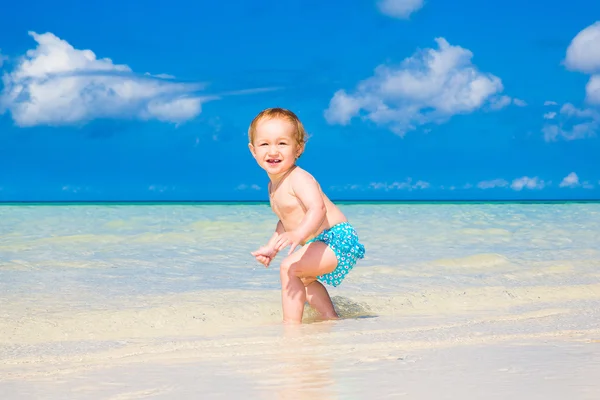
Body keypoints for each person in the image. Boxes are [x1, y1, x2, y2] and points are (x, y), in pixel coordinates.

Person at [248, 107, 365, 324]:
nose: (273, 151)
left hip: (336, 239)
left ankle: (291, 327)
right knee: (304, 279)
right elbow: (284, 222)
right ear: (253, 150)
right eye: (265, 144)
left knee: (289, 268)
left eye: (282, 143)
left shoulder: (298, 178)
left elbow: (317, 209)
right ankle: (330, 318)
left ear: (298, 148)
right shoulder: (273, 187)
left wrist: (299, 233)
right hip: (320, 242)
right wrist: (272, 247)